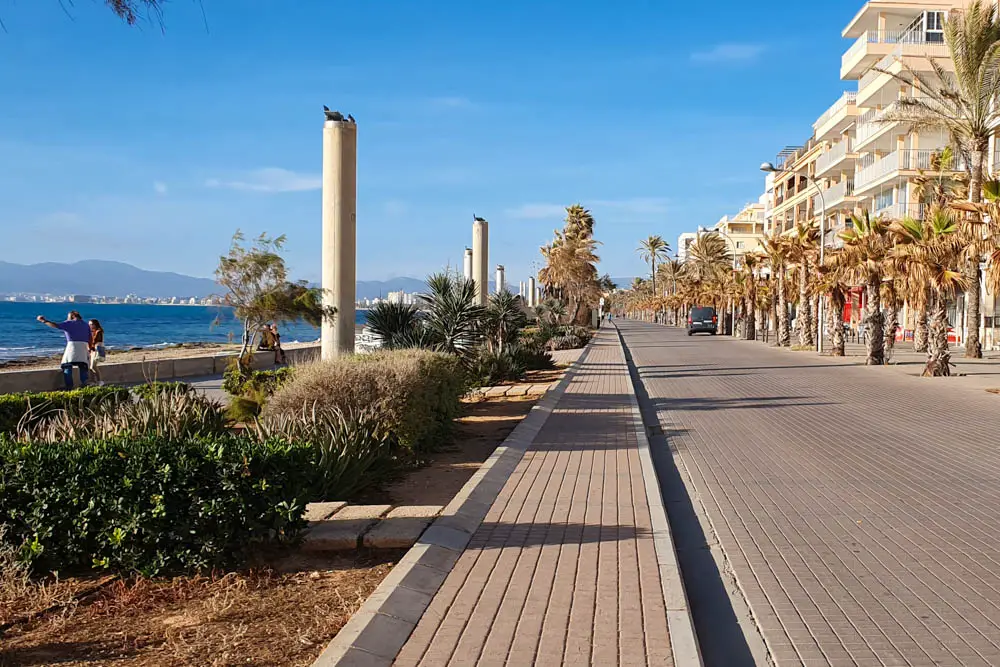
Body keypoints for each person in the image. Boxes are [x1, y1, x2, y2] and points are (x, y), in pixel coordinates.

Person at [37, 311, 91, 389]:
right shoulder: (86, 325)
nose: (67, 319)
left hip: (72, 346)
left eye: (68, 317)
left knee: (67, 365)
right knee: (83, 366)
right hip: (84, 346)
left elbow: (55, 325)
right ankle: (85, 384)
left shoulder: (69, 323)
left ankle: (69, 386)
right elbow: (90, 338)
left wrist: (44, 321)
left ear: (72, 316)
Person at [88, 319, 107, 386]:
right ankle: (93, 381)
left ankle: (100, 381)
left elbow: (95, 341)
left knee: (93, 366)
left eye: (91, 324)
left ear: (95, 324)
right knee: (91, 366)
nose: (90, 326)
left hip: (96, 349)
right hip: (93, 350)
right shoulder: (94, 331)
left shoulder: (98, 331)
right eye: (89, 324)